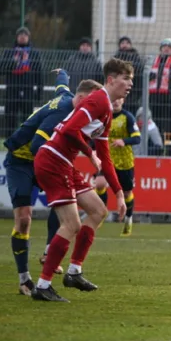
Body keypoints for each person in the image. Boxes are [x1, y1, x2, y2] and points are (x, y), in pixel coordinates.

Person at [31, 58, 133, 302]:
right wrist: (89, 153)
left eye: (131, 79)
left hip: (63, 162)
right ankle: (43, 285)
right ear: (111, 80)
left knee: (98, 211)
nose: (130, 84)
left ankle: (74, 272)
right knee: (72, 225)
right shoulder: (97, 100)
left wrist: (118, 193)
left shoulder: (106, 110)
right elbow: (69, 130)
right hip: (53, 160)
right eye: (126, 79)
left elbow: (105, 157)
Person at [3, 71, 99, 292]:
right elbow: (38, 145)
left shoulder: (68, 97)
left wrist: (62, 74)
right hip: (21, 161)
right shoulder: (62, 112)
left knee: (65, 202)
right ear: (84, 99)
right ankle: (24, 279)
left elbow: (61, 85)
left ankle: (49, 249)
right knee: (24, 219)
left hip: (44, 161)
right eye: (93, 103)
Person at [1, 27, 43, 138]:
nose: (23, 37)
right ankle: (9, 141)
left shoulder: (34, 53)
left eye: (25, 35)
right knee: (10, 118)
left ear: (28, 38)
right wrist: (13, 62)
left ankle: (26, 141)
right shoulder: (9, 52)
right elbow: (0, 70)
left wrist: (39, 93)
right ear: (17, 37)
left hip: (28, 90)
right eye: (20, 35)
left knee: (27, 118)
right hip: (12, 90)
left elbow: (39, 74)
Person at [108, 97, 141, 236]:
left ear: (123, 100)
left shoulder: (128, 117)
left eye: (119, 99)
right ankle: (99, 216)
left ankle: (128, 220)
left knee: (127, 193)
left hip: (125, 162)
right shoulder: (104, 116)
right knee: (99, 183)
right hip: (108, 160)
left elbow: (137, 138)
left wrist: (124, 141)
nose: (116, 101)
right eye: (114, 99)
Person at [149, 39, 171, 155]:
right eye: (164, 47)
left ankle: (169, 149)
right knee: (156, 125)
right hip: (154, 98)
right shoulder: (153, 62)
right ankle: (158, 148)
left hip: (168, 100)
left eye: (169, 47)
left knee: (168, 128)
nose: (166, 49)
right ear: (161, 49)